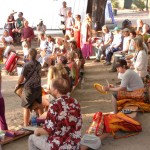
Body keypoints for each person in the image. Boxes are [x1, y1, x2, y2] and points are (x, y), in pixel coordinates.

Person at [28, 78, 82, 150]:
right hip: (74, 145)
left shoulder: (54, 105)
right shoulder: (75, 102)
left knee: (32, 138)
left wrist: (37, 130)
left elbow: (48, 130)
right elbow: (79, 123)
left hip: (59, 146)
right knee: (45, 137)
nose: (50, 89)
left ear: (56, 90)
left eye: (51, 87)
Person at [16, 48, 42, 126]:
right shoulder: (39, 64)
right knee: (38, 104)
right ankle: (43, 121)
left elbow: (21, 79)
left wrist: (17, 84)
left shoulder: (26, 65)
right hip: (38, 87)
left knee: (26, 107)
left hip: (29, 88)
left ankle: (26, 124)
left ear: (29, 55)